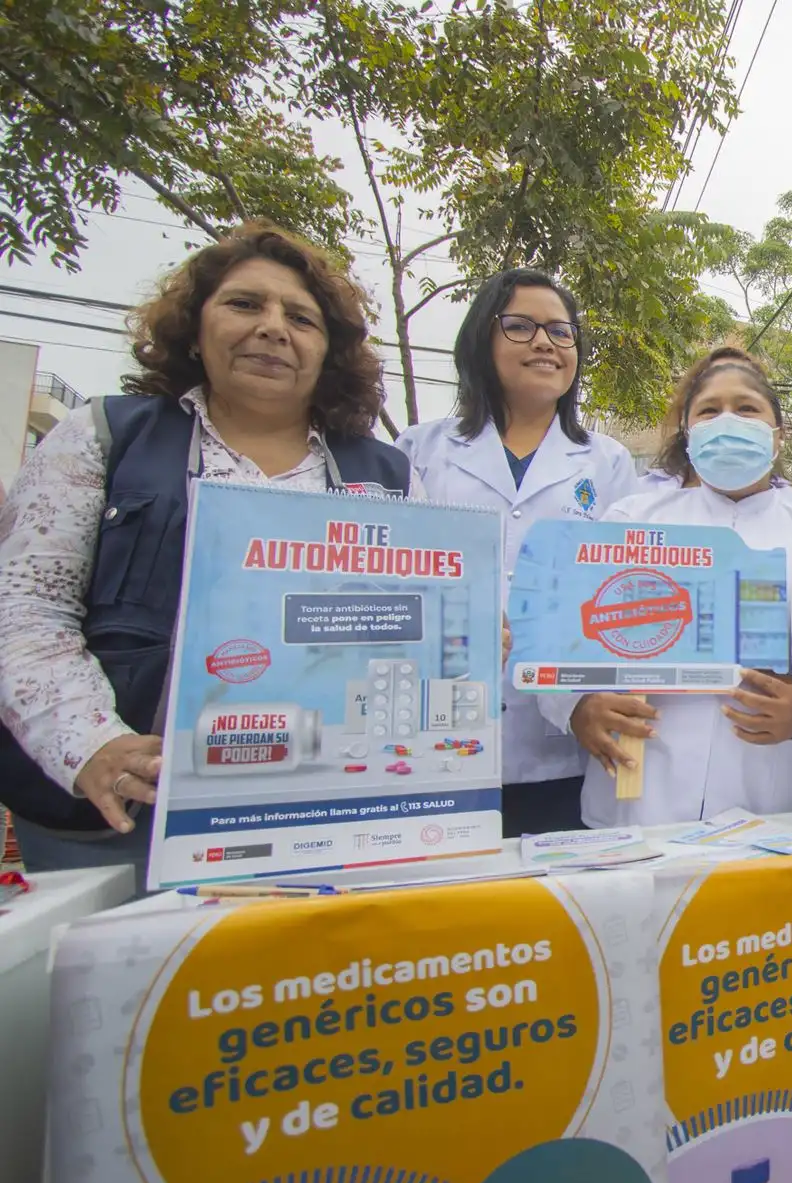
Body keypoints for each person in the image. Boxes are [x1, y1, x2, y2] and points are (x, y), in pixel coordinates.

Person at [0, 220, 419, 890]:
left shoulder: (389, 476)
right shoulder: (108, 437)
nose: (274, 328)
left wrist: (466, 632)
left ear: (329, 351)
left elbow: (419, 627)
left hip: (325, 812)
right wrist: (93, 745)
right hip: (121, 819)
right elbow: (25, 612)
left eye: (302, 318)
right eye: (244, 304)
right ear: (194, 330)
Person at [538, 347, 792, 825]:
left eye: (747, 408)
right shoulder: (631, 523)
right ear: (689, 435)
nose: (728, 421)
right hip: (637, 805)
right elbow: (554, 640)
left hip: (772, 809)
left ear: (777, 435)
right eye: (710, 410)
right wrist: (576, 707)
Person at [397, 268, 639, 837]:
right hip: (434, 739)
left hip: (564, 744)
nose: (544, 343)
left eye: (561, 331)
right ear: (483, 338)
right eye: (521, 326)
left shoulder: (606, 464)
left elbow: (625, 593)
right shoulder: (418, 451)